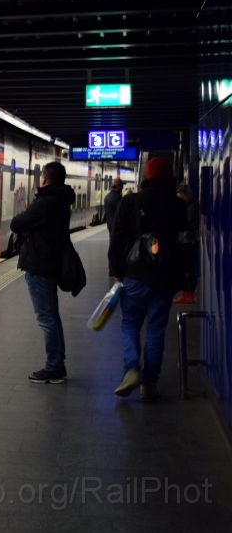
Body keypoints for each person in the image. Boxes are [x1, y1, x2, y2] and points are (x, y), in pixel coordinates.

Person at [108, 157, 187, 399]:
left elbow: (117, 239)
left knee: (130, 323)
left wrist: (116, 271)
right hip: (164, 276)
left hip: (135, 274)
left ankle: (131, 368)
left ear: (146, 175)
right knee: (156, 329)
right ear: (169, 177)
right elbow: (183, 240)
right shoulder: (177, 205)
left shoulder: (130, 201)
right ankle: (149, 384)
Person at [10, 161, 76, 383]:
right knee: (52, 317)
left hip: (40, 264)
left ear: (46, 179)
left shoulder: (46, 203)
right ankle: (57, 364)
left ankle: (54, 367)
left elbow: (16, 223)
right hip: (50, 262)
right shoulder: (61, 200)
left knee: (46, 318)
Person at [173, 183, 200, 304]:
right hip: (186, 240)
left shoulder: (192, 206)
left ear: (186, 195)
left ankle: (188, 294)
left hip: (189, 241)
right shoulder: (189, 205)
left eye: (180, 196)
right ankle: (189, 293)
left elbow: (193, 223)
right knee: (187, 268)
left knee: (187, 268)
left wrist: (180, 225)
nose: (179, 199)